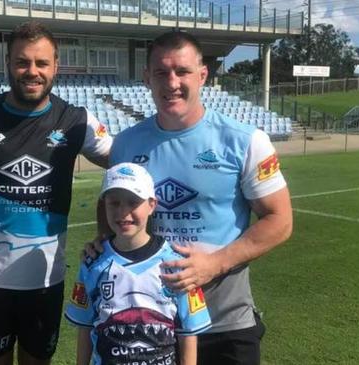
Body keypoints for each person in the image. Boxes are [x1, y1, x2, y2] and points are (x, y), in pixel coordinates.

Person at [87, 31, 293, 365]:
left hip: (225, 321)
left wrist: (215, 264)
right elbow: (111, 202)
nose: (171, 82)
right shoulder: (125, 145)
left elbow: (280, 220)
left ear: (202, 75)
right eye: (161, 72)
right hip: (153, 327)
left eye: (182, 71)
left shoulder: (245, 141)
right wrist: (103, 238)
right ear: (147, 79)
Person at [0, 21, 112, 365]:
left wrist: (107, 230)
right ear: (8, 64)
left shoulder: (76, 121)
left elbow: (124, 161)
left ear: (56, 66)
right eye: (22, 62)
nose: (32, 71)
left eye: (41, 63)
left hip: (46, 280)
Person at [65, 162, 212, 365]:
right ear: (104, 205)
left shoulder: (176, 264)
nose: (123, 213)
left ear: (152, 205)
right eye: (114, 203)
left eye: (133, 202)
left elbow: (188, 333)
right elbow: (85, 326)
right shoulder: (93, 263)